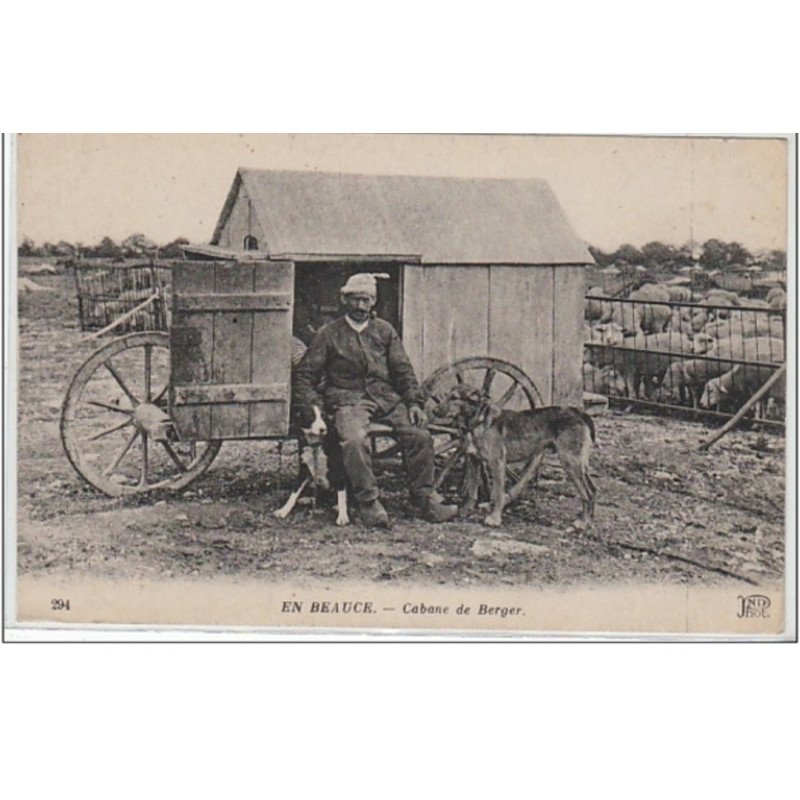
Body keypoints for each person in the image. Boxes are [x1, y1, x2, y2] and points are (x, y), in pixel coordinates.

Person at [293, 273, 458, 528]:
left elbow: (403, 370)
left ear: (373, 302)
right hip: (347, 400)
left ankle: (424, 498)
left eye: (367, 300)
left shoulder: (384, 330)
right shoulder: (329, 334)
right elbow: (305, 376)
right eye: (356, 300)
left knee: (420, 435)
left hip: (386, 398)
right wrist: (316, 410)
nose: (361, 306)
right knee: (354, 440)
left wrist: (414, 402)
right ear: (344, 300)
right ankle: (368, 502)